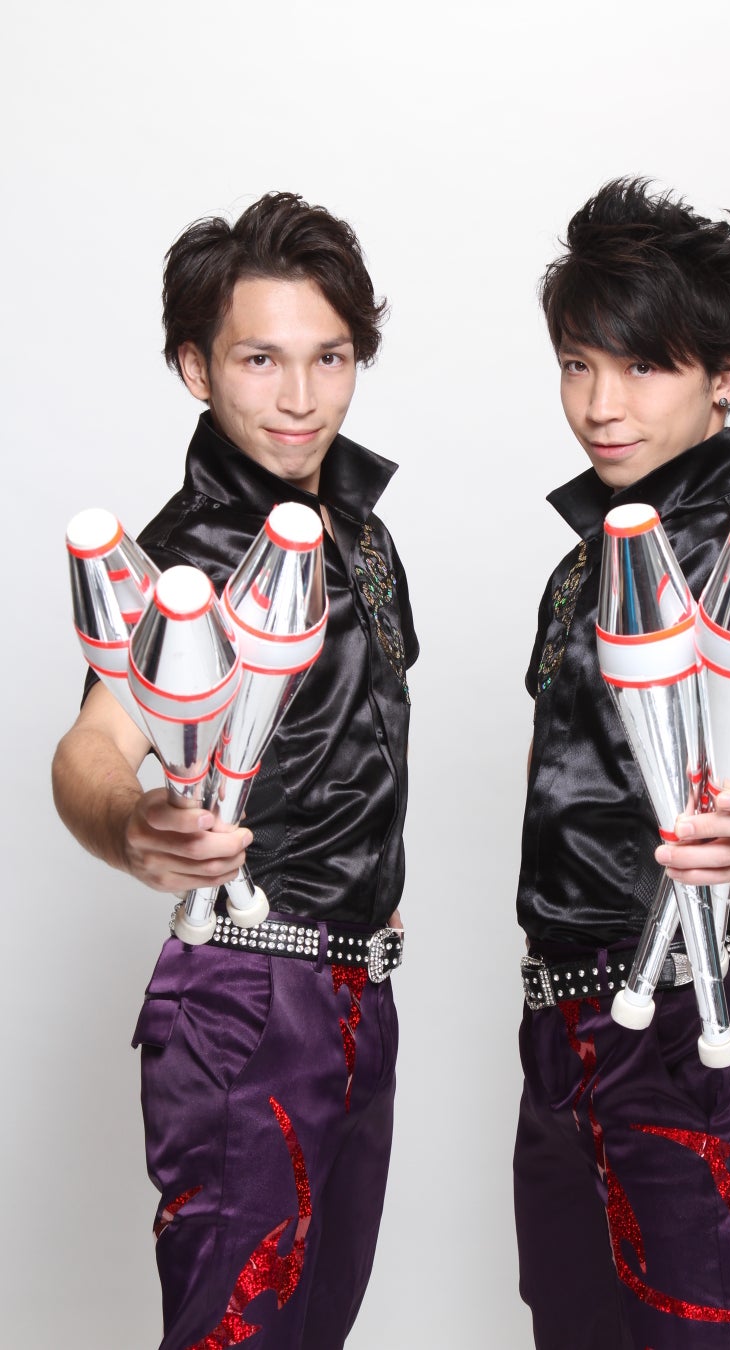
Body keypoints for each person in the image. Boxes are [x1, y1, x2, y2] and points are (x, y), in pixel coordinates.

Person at [52, 192, 417, 1350]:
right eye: (261, 359)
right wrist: (131, 828)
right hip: (246, 1000)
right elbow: (93, 748)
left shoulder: (363, 534)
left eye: (330, 357)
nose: (301, 396)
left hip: (361, 999)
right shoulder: (184, 566)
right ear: (195, 368)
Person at [513, 178, 730, 1350]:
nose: (601, 404)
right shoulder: (583, 564)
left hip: (692, 1023)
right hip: (560, 1029)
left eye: (644, 367)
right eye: (579, 365)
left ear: (726, 376)